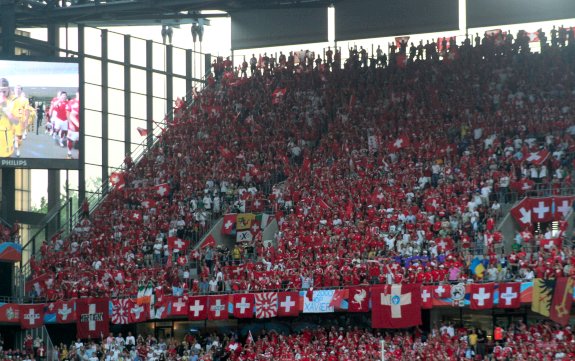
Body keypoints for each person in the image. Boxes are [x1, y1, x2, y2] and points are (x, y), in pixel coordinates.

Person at [0, 78, 19, 158]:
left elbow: (16, 121)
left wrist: (5, 108)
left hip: (6, 135)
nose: (1, 94)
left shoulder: (14, 100)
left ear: (8, 89)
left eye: (4, 91)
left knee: (6, 161)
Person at [66, 90, 80, 159]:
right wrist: (70, 123)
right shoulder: (71, 102)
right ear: (76, 93)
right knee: (70, 139)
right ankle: (69, 153)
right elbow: (68, 114)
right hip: (73, 126)